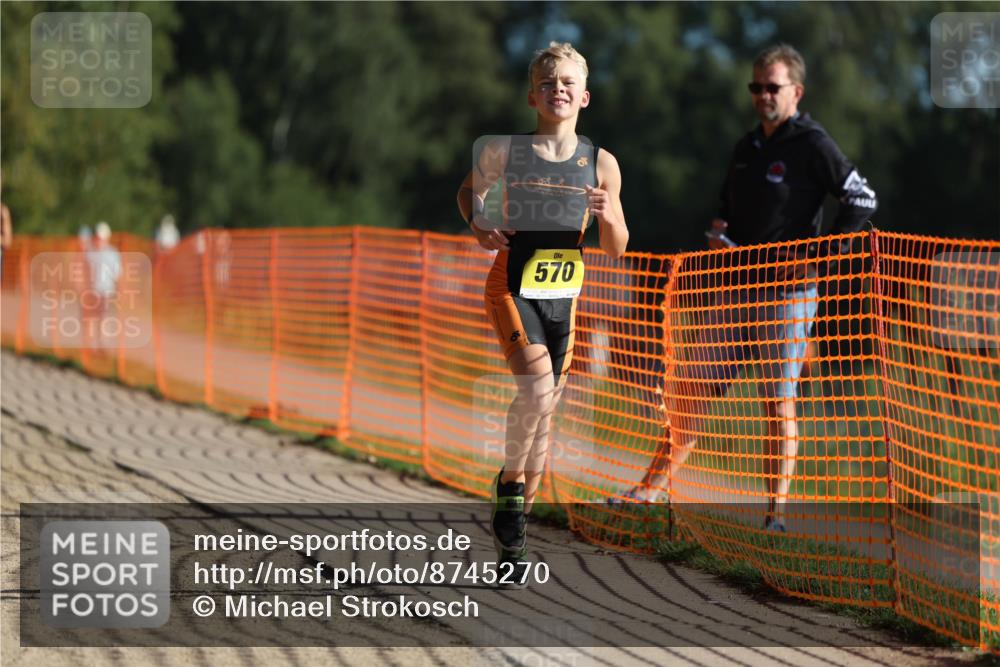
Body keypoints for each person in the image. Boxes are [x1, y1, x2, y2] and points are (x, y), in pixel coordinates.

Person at [612, 44, 877, 533]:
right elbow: (725, 207)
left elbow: (862, 199)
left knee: (776, 403)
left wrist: (814, 258)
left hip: (786, 297)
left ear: (796, 91)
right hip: (733, 291)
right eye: (755, 87)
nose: (761, 96)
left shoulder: (814, 143)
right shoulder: (747, 147)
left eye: (771, 87)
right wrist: (718, 232)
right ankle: (648, 490)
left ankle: (775, 515)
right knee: (690, 393)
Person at [457, 42, 628, 580]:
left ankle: (516, 530)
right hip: (511, 286)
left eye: (568, 82)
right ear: (533, 95)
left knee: (544, 416)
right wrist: (480, 224)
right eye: (548, 82)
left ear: (585, 96)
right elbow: (469, 194)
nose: (559, 89)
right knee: (534, 389)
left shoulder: (601, 163)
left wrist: (606, 215)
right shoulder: (505, 151)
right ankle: (509, 483)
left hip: (563, 300)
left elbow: (618, 245)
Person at [84, 221, 122, 349]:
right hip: (90, 290)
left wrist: (119, 290)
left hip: (106, 290)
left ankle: (101, 344)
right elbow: (84, 270)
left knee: (103, 316)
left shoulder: (112, 253)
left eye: (101, 238)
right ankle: (89, 344)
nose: (99, 240)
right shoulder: (89, 252)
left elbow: (117, 273)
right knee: (90, 317)